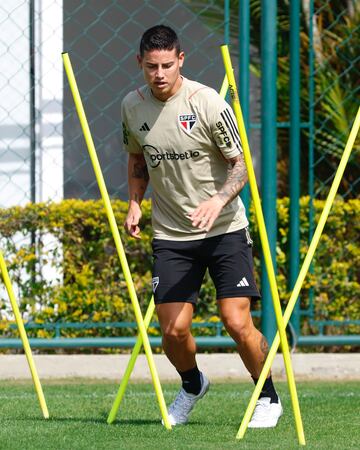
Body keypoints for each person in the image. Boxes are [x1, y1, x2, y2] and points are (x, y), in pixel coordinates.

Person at [122, 24, 282, 428]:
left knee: (236, 321)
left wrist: (218, 199)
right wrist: (135, 203)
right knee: (173, 332)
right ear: (139, 63)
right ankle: (193, 384)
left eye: (166, 65)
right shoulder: (132, 106)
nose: (159, 74)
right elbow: (138, 158)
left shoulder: (207, 101)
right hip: (172, 236)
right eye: (151, 66)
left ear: (181, 61)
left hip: (225, 228)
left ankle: (268, 396)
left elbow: (241, 163)